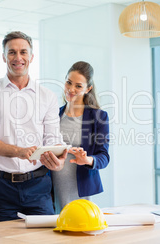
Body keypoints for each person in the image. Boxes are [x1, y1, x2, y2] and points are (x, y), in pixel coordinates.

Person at [0, 31, 67, 222]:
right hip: (1, 187)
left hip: (39, 186)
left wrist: (58, 158)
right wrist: (19, 151)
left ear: (31, 57)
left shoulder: (47, 96)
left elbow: (52, 138)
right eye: (12, 52)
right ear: (3, 56)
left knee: (44, 240)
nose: (18, 58)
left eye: (23, 52)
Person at [52, 61, 110, 212]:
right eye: (69, 82)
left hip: (80, 188)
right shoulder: (53, 115)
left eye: (78, 86)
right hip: (50, 187)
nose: (71, 89)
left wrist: (88, 160)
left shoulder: (98, 117)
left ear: (88, 88)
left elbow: (104, 156)